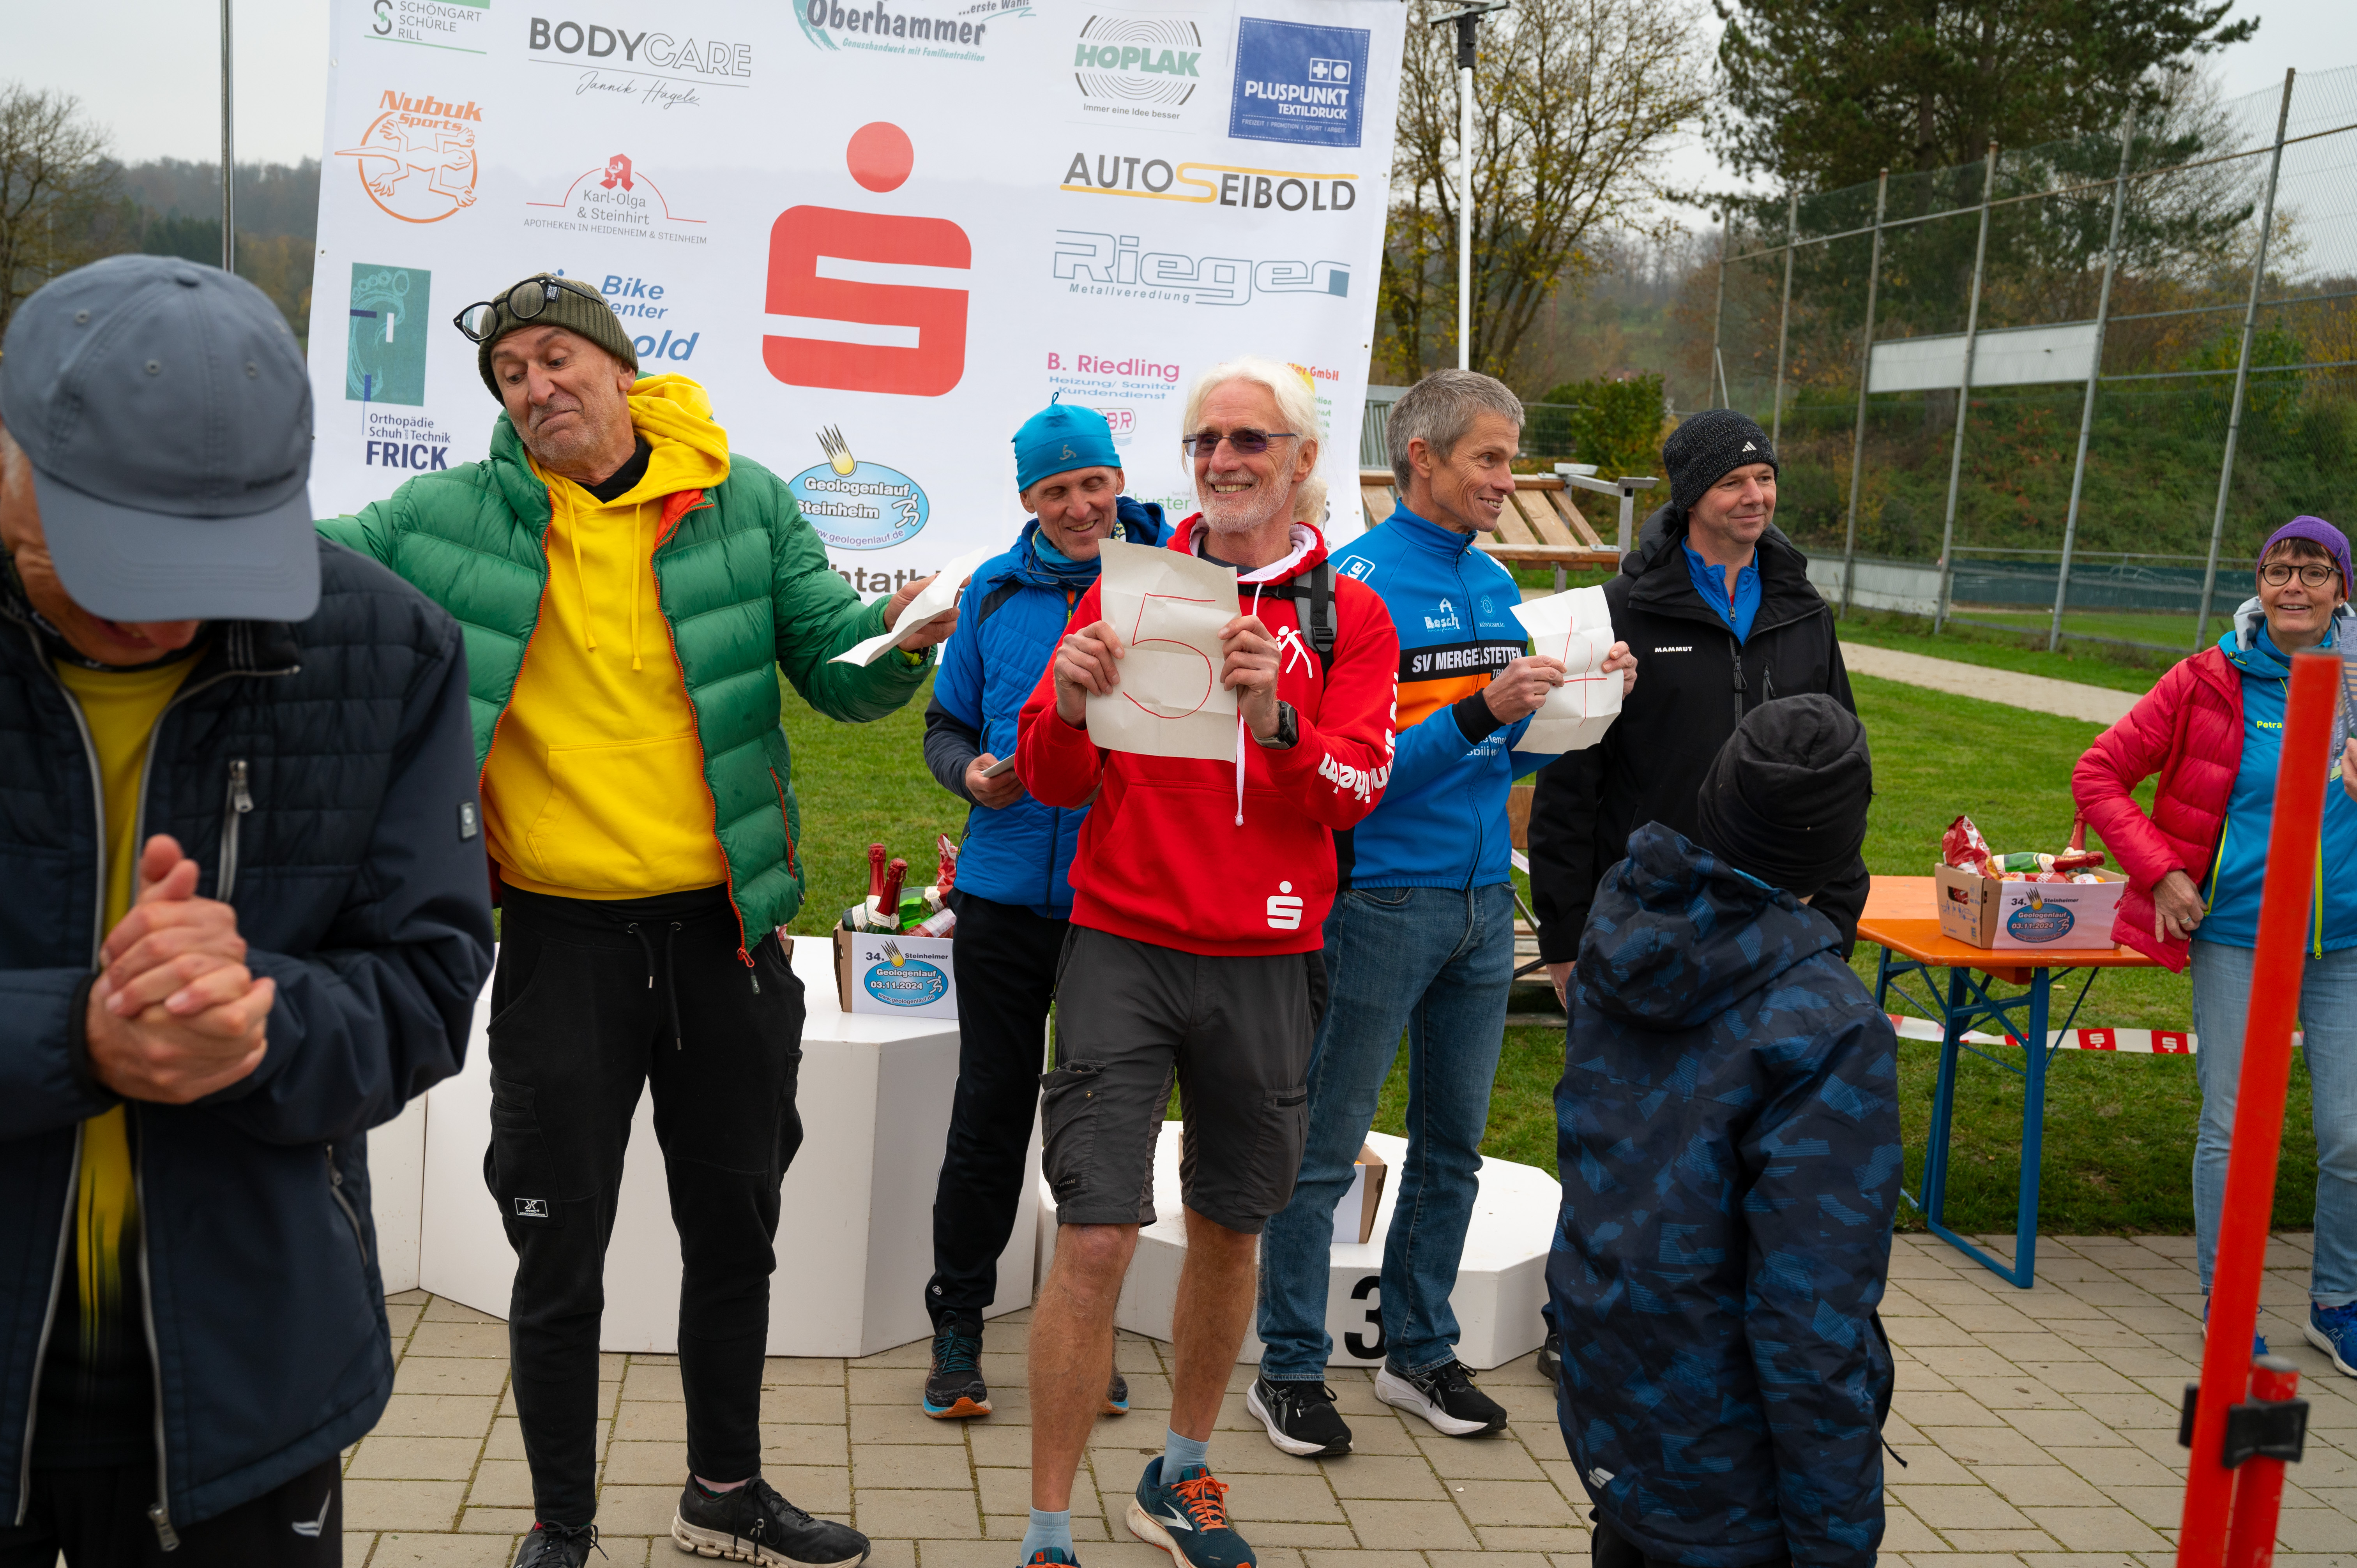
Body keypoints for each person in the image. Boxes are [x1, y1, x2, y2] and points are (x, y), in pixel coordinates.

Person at [318, 273, 953, 1568]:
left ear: (620, 367)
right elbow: (304, 558)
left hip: (727, 943)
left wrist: (899, 640)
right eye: (511, 374)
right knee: (556, 1249)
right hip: (560, 948)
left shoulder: (744, 499)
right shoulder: (446, 514)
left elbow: (833, 670)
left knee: (735, 1236)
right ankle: (561, 1523)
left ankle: (726, 1490)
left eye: (557, 358)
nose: (536, 386)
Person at [0, 255, 494, 1562]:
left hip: (249, 1399)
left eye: (213, 563)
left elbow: (427, 983)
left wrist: (261, 1025)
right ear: (14, 461)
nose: (168, 615)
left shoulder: (387, 649)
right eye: (120, 561)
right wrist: (77, 1038)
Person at [1011, 358, 1400, 1568]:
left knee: (1231, 1230)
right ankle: (1046, 1530)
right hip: (1124, 944)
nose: (1224, 461)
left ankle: (1180, 1477)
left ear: (1302, 460)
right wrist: (1064, 705)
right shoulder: (1128, 586)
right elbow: (1053, 781)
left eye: (1250, 440)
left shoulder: (1348, 614)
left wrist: (1279, 722)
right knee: (1095, 1236)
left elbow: (1357, 790)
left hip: (1269, 957)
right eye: (1206, 442)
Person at [1247, 370, 1635, 1457]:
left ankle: (1417, 1351)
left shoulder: (1496, 580)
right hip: (1379, 898)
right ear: (1421, 457)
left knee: (1454, 1146)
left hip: (1479, 902)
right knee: (1326, 1147)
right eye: (1489, 458)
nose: (1507, 480)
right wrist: (1479, 712)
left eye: (1513, 458)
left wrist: (1586, 701)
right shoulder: (1353, 588)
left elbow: (1505, 750)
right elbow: (1353, 778)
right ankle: (1287, 1368)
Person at [1547, 696, 1898, 1568]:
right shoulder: (1826, 1025)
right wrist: (1838, 1541)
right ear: (1840, 845)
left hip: (1618, 1404)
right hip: (1732, 1474)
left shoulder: (1623, 934)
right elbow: (1808, 1320)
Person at [917, 399, 1170, 1418]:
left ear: (1119, 482)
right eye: (1055, 490)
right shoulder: (991, 591)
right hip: (1004, 898)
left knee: (1102, 1131)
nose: (1078, 506)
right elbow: (944, 725)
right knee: (988, 1114)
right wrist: (968, 777)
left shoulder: (1169, 584)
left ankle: (1084, 1336)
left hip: (1119, 903)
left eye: (1093, 484)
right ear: (1028, 497)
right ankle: (958, 1327)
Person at [2074, 515, 2357, 1377]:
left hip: (2344, 944)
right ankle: (2226, 1301)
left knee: (2351, 1135)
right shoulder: (2207, 679)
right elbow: (2099, 772)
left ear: (2343, 590)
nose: (2295, 585)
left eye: (2315, 570)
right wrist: (2162, 873)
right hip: (2236, 935)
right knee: (2233, 1127)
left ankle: (2337, 1304)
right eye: (2280, 569)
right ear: (2259, 585)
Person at [1527, 408, 1866, 1005]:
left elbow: (1843, 770)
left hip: (1783, 923)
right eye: (1732, 482)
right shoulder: (1616, 614)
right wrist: (1564, 938)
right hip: (1647, 921)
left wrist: (1835, 918)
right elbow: (1568, 786)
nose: (1755, 496)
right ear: (1689, 497)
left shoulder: (1806, 612)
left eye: (1765, 477)